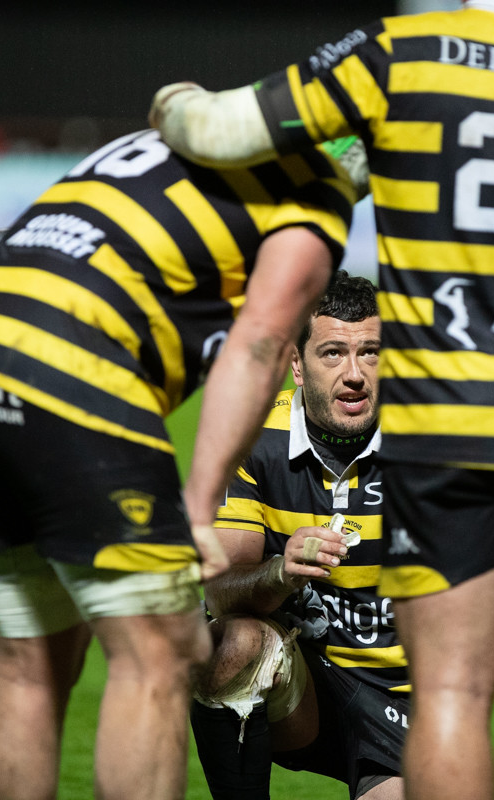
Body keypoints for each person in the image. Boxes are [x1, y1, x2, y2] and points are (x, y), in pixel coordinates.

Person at [150, 3, 494, 798]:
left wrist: (174, 104)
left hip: (447, 420)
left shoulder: (402, 54)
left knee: (450, 695)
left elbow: (224, 128)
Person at [0, 129, 362, 800]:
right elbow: (261, 344)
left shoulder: (183, 141)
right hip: (70, 369)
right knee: (158, 655)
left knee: (26, 659)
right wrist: (201, 500)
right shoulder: (314, 193)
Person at [191, 272, 406, 800]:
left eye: (371, 353)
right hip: (300, 681)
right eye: (333, 353)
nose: (354, 374)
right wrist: (281, 571)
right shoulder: (252, 437)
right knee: (232, 641)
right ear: (295, 363)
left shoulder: (427, 446)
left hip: (401, 694)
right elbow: (220, 591)